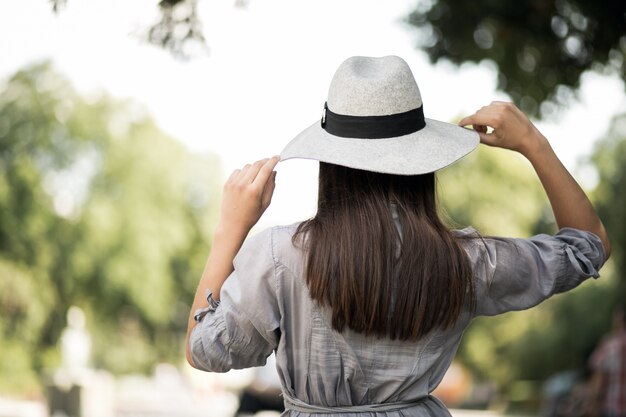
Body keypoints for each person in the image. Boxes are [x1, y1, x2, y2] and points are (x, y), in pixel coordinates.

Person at [185, 55, 611, 416]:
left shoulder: (279, 256)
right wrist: (534, 143)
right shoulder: (465, 261)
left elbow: (203, 350)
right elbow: (588, 248)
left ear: (330, 160)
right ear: (421, 157)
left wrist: (230, 230)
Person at [587, 307, 626, 417]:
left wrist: (593, 404)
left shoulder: (610, 345)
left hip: (615, 408)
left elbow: (599, 380)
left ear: (619, 321)